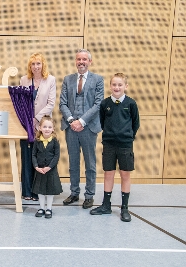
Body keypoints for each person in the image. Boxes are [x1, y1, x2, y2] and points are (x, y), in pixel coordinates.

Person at [90, 73, 140, 222]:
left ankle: (124, 208)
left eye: (120, 85)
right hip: (109, 144)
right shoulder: (105, 104)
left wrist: (127, 136)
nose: (117, 87)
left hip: (125, 145)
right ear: (110, 86)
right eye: (114, 85)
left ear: (126, 86)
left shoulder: (131, 104)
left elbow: (135, 124)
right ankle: (106, 205)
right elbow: (102, 122)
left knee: (125, 175)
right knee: (108, 174)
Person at [59, 49, 104, 209]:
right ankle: (74, 192)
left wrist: (82, 121)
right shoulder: (68, 79)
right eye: (79, 59)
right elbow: (62, 103)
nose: (81, 62)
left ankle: (89, 195)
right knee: (73, 162)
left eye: (84, 59)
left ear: (90, 62)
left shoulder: (98, 80)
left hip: (89, 127)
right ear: (75, 61)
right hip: (70, 127)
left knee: (90, 163)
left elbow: (98, 104)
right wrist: (72, 120)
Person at [19, 53, 56, 201]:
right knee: (27, 158)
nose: (36, 66)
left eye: (38, 63)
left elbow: (51, 103)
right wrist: (28, 120)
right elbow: (20, 102)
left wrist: (37, 120)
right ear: (30, 66)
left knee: (40, 158)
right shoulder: (24, 80)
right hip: (26, 126)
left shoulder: (51, 80)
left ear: (43, 65)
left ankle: (37, 192)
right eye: (33, 64)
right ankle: (27, 191)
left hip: (43, 127)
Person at [32, 115, 62, 219]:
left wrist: (49, 167)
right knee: (40, 190)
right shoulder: (37, 141)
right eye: (44, 127)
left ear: (53, 128)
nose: (47, 129)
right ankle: (41, 208)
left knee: (50, 190)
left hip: (51, 171)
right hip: (39, 170)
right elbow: (34, 155)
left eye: (49, 127)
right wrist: (36, 167)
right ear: (40, 128)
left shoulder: (55, 141)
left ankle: (49, 208)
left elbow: (56, 156)